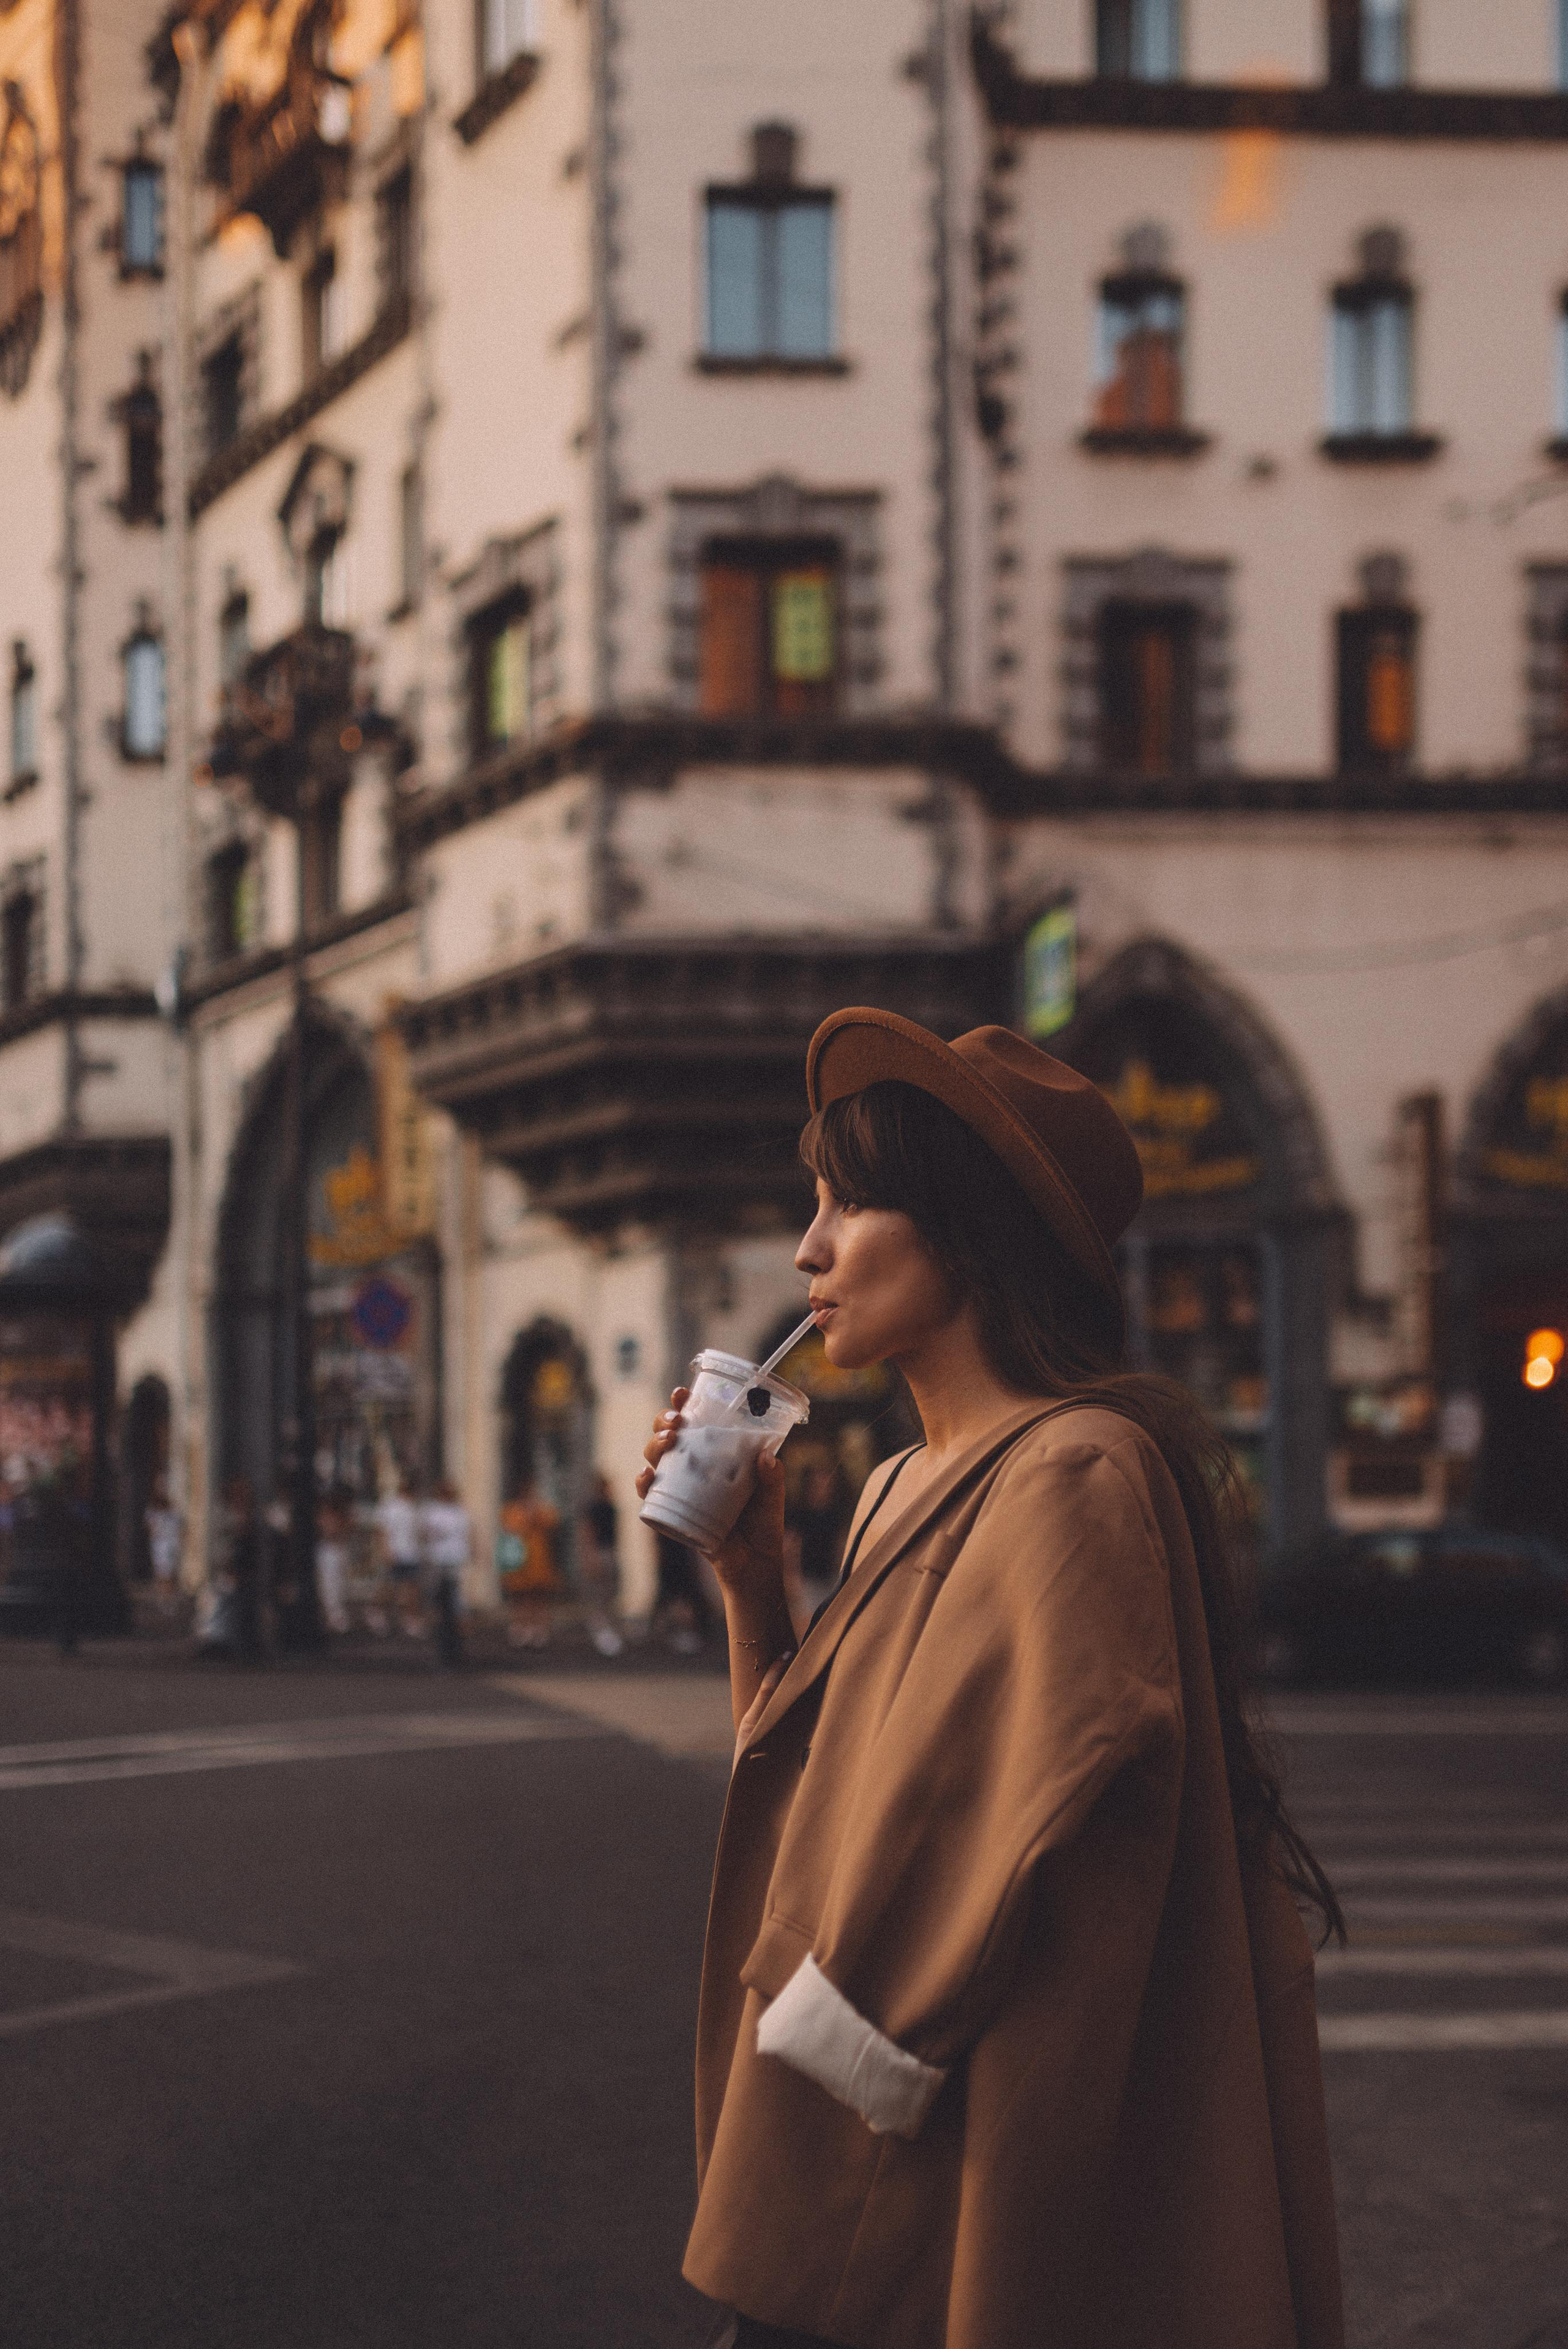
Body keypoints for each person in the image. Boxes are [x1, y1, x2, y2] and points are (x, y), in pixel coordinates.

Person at [639, 1008, 1344, 2349]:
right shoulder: (902, 1483)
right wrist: (748, 1579)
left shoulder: (1075, 1471)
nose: (809, 1250)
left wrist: (825, 2079)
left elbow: (984, 1857)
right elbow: (822, 1810)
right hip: (868, 2117)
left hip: (944, 2149)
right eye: (813, 1205)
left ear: (969, 1225)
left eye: (850, 1203)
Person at [499, 1477, 562, 1648]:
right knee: (520, 1596)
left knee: (539, 1595)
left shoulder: (542, 1508)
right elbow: (509, 1529)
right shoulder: (513, 1509)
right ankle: (520, 1628)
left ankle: (539, 1629)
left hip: (539, 1559)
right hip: (519, 1559)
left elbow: (553, 1523)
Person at [419, 1478, 471, 1668]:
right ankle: (440, 1643)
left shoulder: (460, 1512)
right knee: (437, 1603)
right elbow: (425, 1534)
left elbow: (469, 1534)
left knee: (458, 1606)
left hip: (456, 1562)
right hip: (438, 1561)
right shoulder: (433, 1511)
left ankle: (457, 1646)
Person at [579, 1472, 624, 1656]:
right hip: (600, 1551)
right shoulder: (594, 1508)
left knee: (611, 1590)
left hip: (609, 1550)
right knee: (600, 1591)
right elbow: (587, 1532)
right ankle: (600, 1628)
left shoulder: (611, 1507)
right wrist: (590, 1555)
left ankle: (605, 1626)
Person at [376, 1474, 425, 1638]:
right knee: (390, 1587)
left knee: (412, 1588)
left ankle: (410, 1619)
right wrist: (386, 1550)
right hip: (396, 1552)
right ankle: (377, 1611)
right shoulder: (391, 1507)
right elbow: (384, 1531)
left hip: (412, 1553)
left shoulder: (415, 1508)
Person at [652, 1530, 714, 1655]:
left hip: (680, 1560)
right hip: (675, 1560)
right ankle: (665, 1632)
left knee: (683, 1595)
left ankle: (680, 1631)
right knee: (675, 1596)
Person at [314, 1490, 353, 1635]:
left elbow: (344, 1531)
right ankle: (333, 1616)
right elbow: (326, 1532)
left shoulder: (341, 1516)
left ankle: (337, 1616)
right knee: (328, 1585)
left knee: (339, 1584)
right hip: (328, 1551)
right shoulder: (323, 1516)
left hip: (339, 1550)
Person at [145, 1477, 184, 1618]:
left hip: (171, 1545)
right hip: (160, 1545)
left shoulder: (173, 1510)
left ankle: (170, 1601)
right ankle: (164, 1602)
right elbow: (151, 1529)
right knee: (162, 1574)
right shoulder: (153, 1510)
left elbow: (179, 1527)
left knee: (170, 1575)